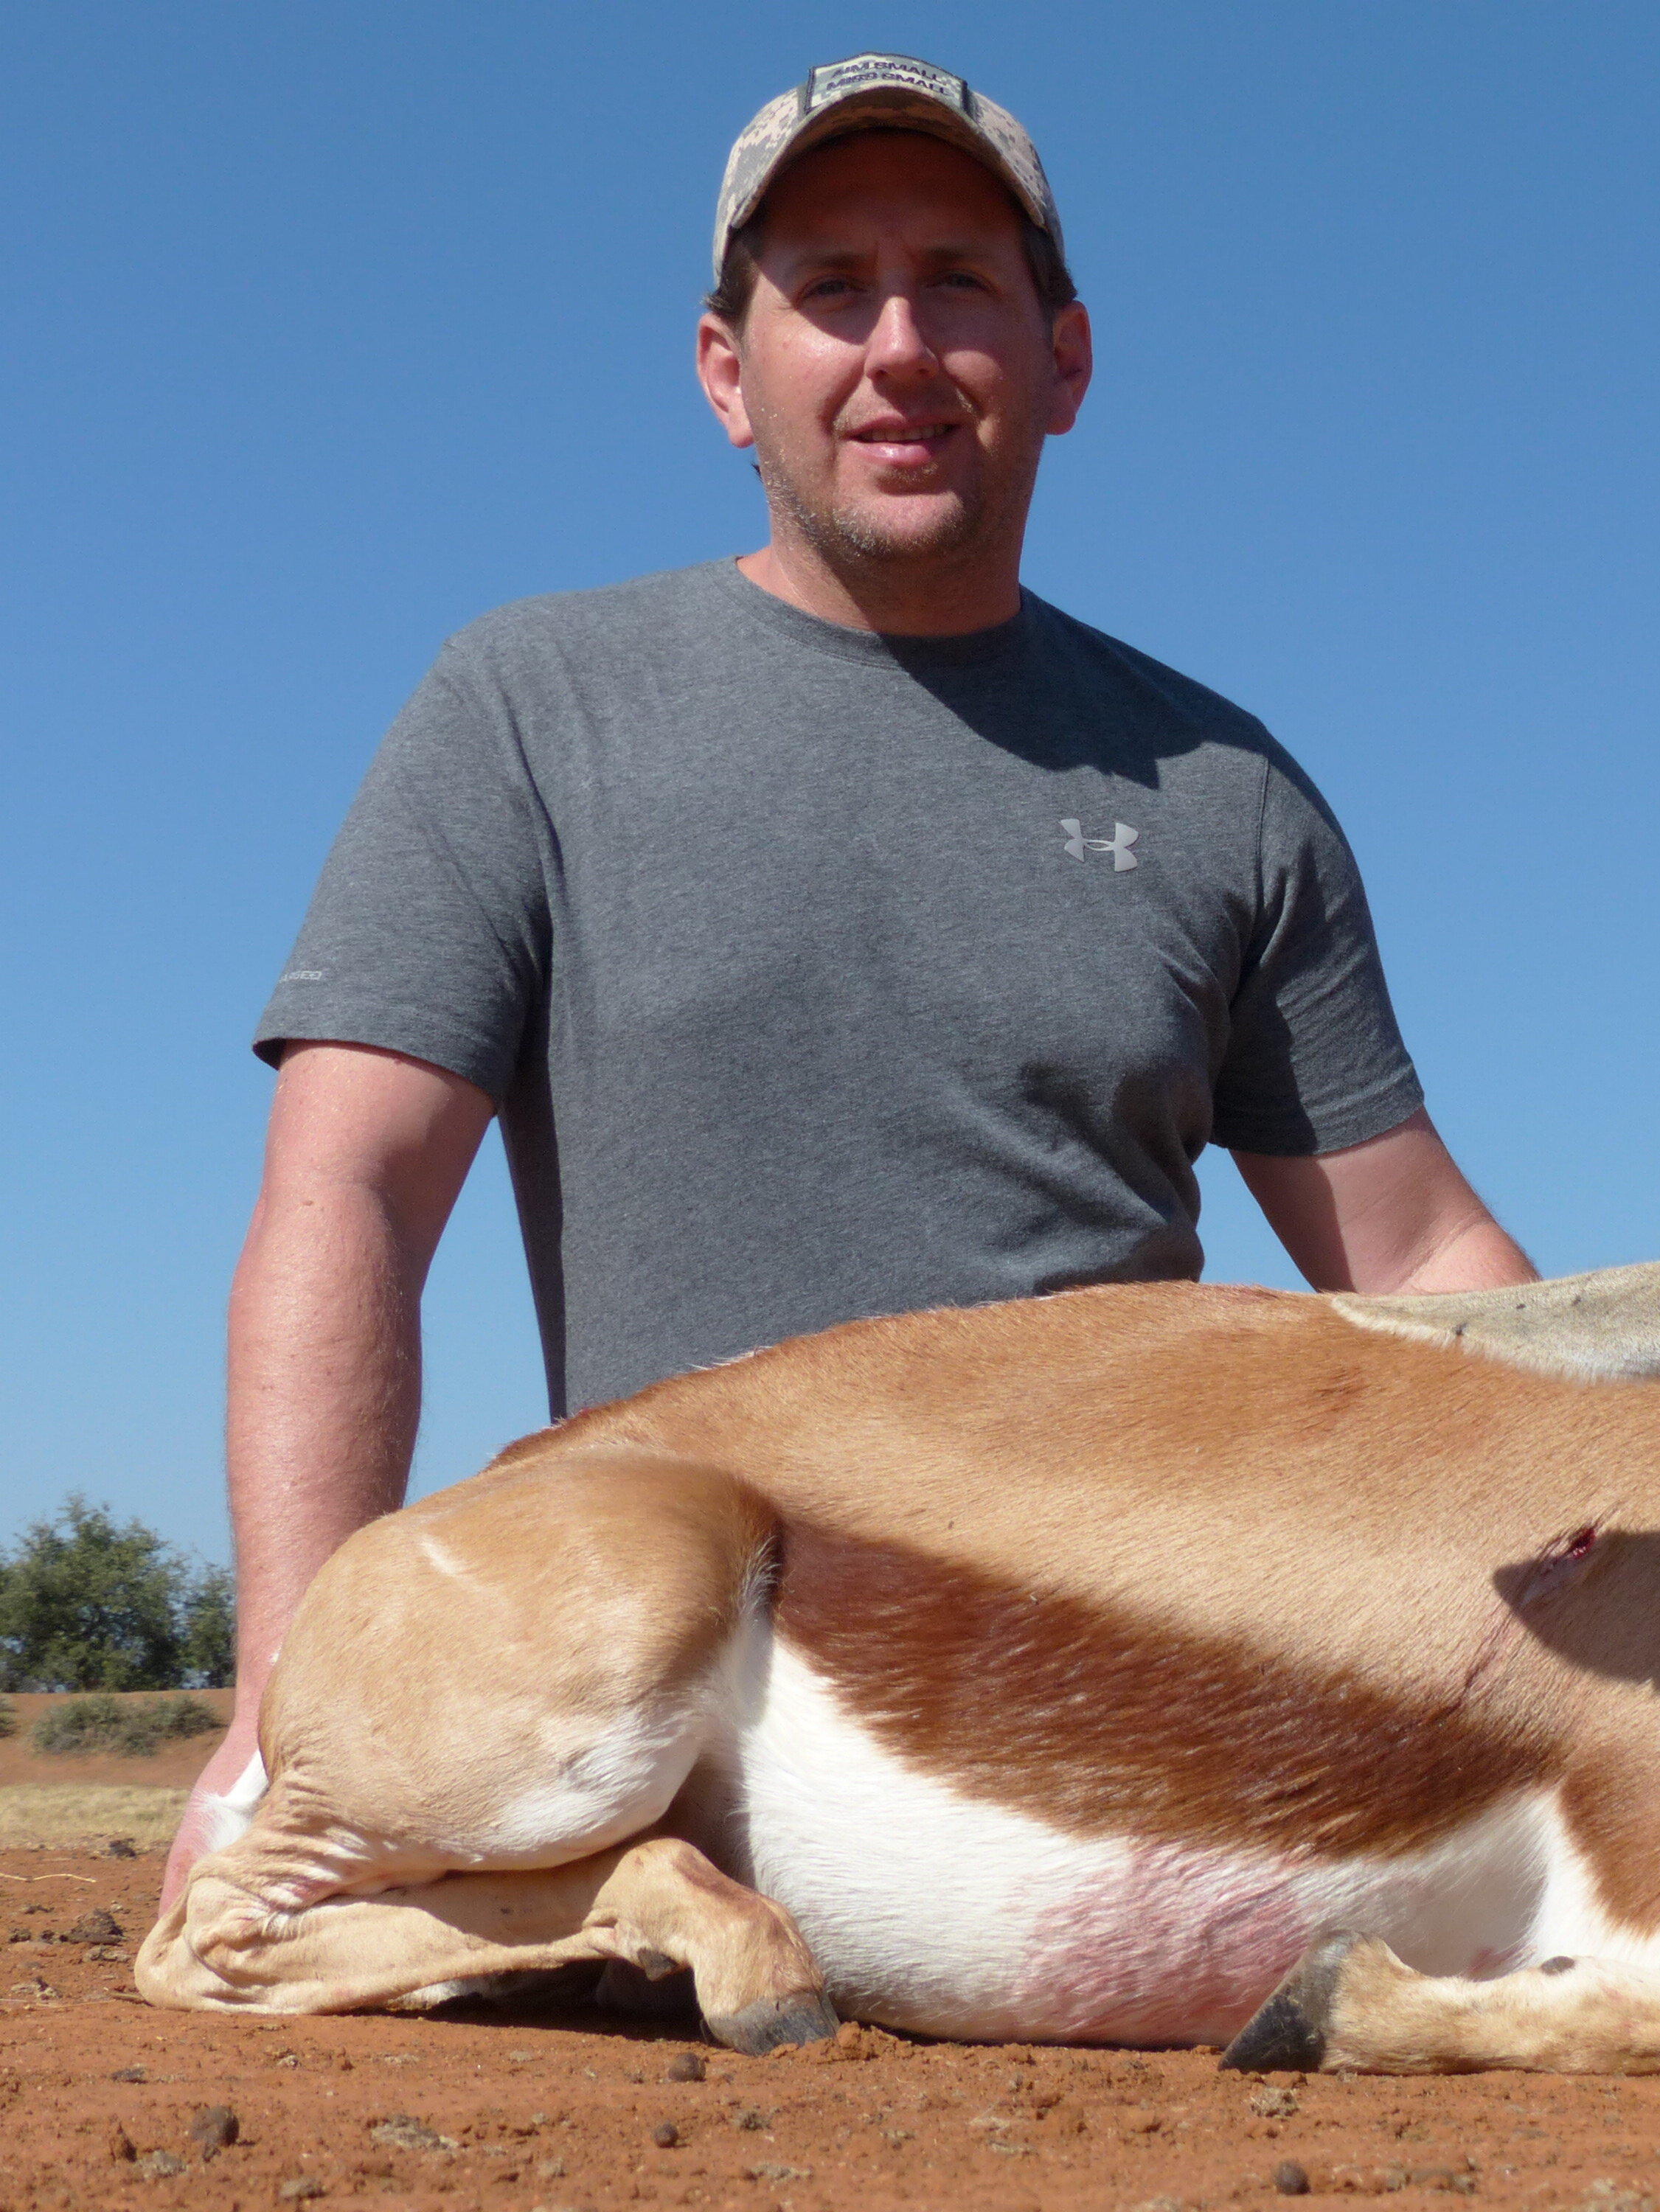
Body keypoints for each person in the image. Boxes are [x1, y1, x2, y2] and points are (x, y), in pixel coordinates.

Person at [169, 53, 1533, 1895]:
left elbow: (1423, 1258)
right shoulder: (528, 704)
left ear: (1062, 361)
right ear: (729, 371)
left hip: (1121, 1694)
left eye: (956, 280)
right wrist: (285, 1710)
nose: (897, 344)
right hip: (687, 1666)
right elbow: (348, 1182)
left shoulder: (1226, 789)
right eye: (830, 287)